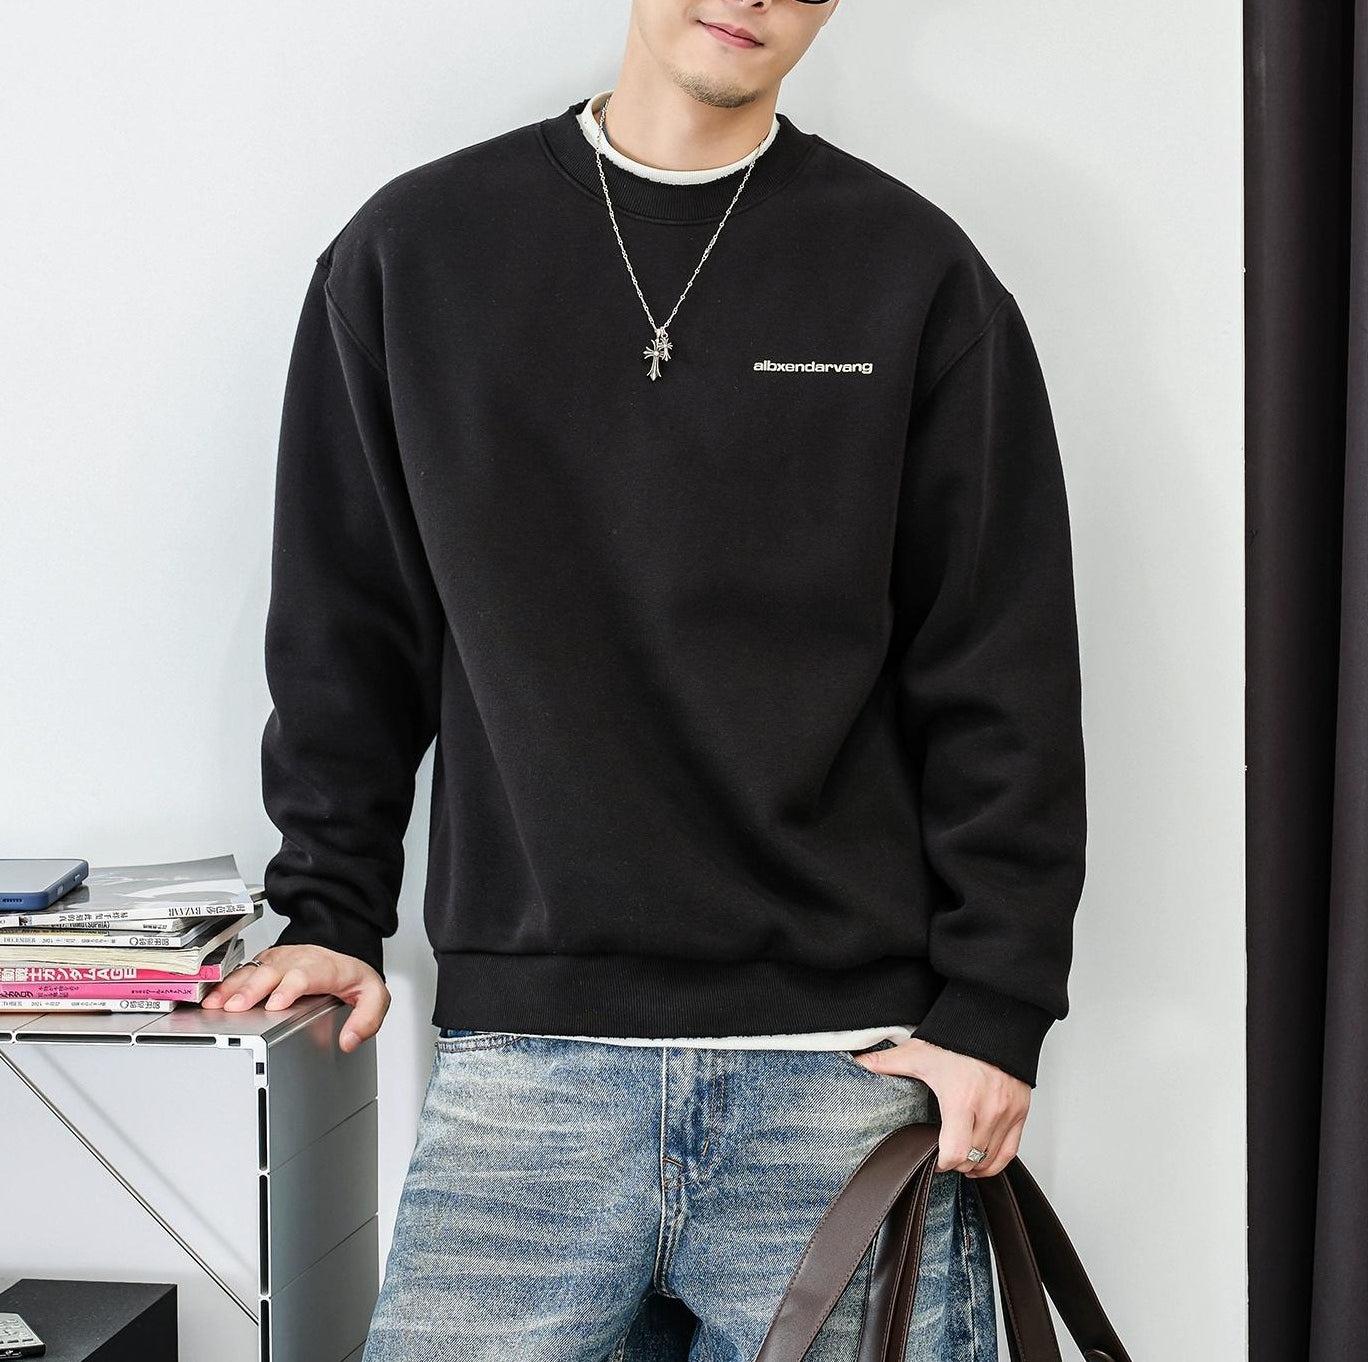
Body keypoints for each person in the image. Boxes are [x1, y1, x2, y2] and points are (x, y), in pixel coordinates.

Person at [202, 1, 1087, 1357]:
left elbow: (997, 665)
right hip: (527, 1076)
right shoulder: (415, 253)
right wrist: (330, 906)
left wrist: (996, 1009)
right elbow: (349, 621)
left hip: (843, 1074)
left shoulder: (912, 271)